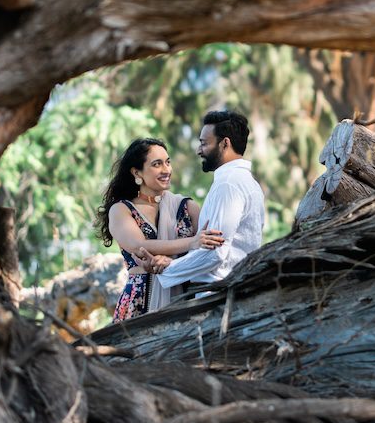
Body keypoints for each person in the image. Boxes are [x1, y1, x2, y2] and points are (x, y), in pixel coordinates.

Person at [136, 110, 265, 295]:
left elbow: (215, 253)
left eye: (204, 143)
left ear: (224, 143)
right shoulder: (248, 183)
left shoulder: (228, 184)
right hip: (232, 291)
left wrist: (168, 268)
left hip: (217, 297)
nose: (199, 150)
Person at [95, 138, 224, 321]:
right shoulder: (122, 209)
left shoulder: (187, 207)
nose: (166, 170)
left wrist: (171, 262)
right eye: (157, 164)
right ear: (136, 172)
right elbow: (139, 245)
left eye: (168, 162)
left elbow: (207, 250)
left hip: (185, 301)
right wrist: (192, 242)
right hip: (139, 304)